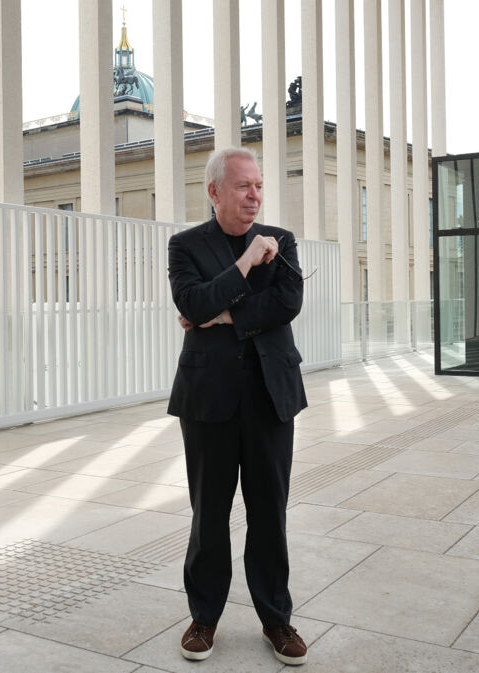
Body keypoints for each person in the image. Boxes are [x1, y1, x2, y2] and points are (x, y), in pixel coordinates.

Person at [166, 147, 309, 665]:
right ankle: (204, 618)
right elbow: (192, 304)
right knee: (209, 516)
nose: (255, 195)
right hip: (208, 401)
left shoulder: (283, 241)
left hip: (272, 396)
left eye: (258, 185)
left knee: (269, 512)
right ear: (214, 192)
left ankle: (277, 620)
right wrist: (247, 262)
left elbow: (289, 301)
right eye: (244, 186)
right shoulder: (184, 245)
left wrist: (223, 316)